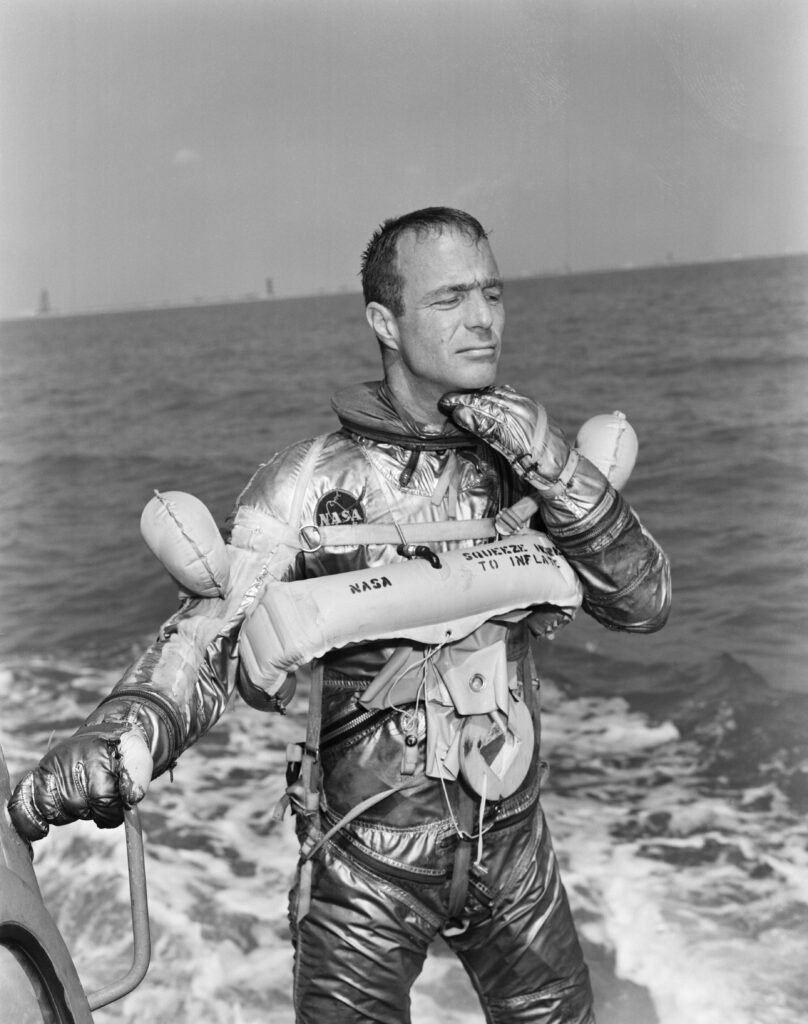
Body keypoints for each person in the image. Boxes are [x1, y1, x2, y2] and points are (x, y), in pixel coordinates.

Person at [10, 207, 671, 1023]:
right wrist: (124, 732)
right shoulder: (306, 484)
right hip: (367, 866)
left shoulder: (527, 466)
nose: (483, 320)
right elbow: (210, 634)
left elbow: (643, 603)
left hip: (514, 848)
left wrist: (554, 462)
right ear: (384, 322)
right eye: (452, 299)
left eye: (493, 295)